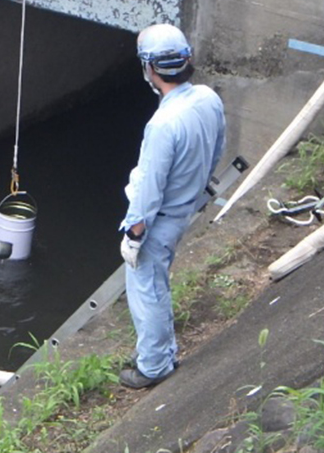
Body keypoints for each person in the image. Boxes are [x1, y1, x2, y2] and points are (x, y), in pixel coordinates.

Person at [118, 23, 226, 389]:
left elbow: (149, 187)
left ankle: (153, 365)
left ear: (150, 69)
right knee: (157, 283)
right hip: (184, 209)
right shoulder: (208, 99)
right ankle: (162, 351)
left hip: (158, 220)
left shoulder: (163, 124)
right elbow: (218, 148)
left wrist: (134, 233)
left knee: (146, 288)